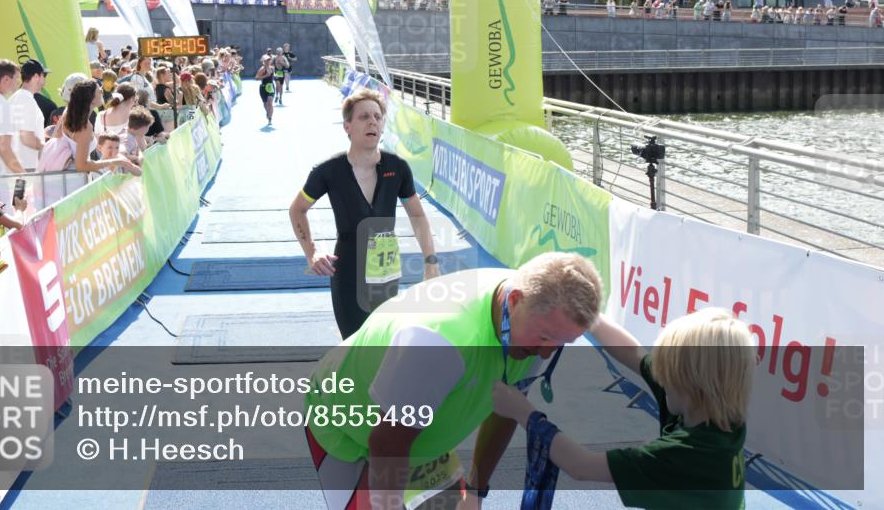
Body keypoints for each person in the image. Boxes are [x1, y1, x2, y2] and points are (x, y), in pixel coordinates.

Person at [303, 252, 603, 508]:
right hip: (344, 428)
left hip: (419, 430)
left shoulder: (540, 318)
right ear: (514, 301)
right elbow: (386, 444)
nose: (547, 353)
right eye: (546, 338)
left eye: (563, 343)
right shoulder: (439, 341)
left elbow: (506, 407)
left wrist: (476, 491)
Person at [492, 307, 755, 510]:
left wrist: (522, 411)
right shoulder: (723, 416)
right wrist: (589, 314)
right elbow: (634, 354)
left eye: (667, 372)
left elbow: (581, 466)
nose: (659, 377)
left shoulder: (685, 455)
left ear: (689, 382)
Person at [289, 89, 439, 337]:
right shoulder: (328, 171)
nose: (373, 121)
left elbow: (418, 215)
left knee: (385, 343)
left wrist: (430, 261)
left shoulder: (397, 167)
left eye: (378, 117)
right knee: (355, 345)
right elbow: (298, 209)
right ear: (347, 126)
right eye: (364, 117)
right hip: (348, 270)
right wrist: (312, 253)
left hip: (386, 270)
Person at [39, 79, 135, 174]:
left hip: (64, 176)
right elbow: (81, 166)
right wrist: (112, 162)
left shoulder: (68, 113)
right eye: (100, 91)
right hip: (75, 180)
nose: (102, 92)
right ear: (92, 99)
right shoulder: (84, 127)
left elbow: (56, 135)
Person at [10, 59, 49, 172]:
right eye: (44, 75)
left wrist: (42, 133)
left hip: (21, 164)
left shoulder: (17, 97)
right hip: (27, 167)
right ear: (36, 76)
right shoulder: (25, 99)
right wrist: (48, 149)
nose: (44, 80)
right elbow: (27, 138)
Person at [255, 53, 275, 126]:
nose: (268, 61)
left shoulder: (272, 68)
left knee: (270, 102)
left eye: (269, 60)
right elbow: (256, 78)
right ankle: (267, 112)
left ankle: (270, 118)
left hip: (270, 87)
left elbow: (272, 75)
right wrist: (265, 75)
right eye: (266, 60)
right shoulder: (262, 69)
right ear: (263, 61)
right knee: (265, 104)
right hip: (263, 88)